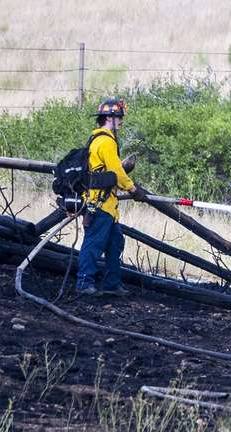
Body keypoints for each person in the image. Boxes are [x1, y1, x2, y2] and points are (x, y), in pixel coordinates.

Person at [76, 97, 145, 298]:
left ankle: (111, 284)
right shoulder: (106, 141)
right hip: (100, 204)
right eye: (119, 117)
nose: (122, 121)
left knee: (115, 242)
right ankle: (84, 282)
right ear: (109, 118)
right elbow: (116, 171)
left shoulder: (98, 139)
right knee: (94, 244)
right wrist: (133, 189)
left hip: (108, 205)